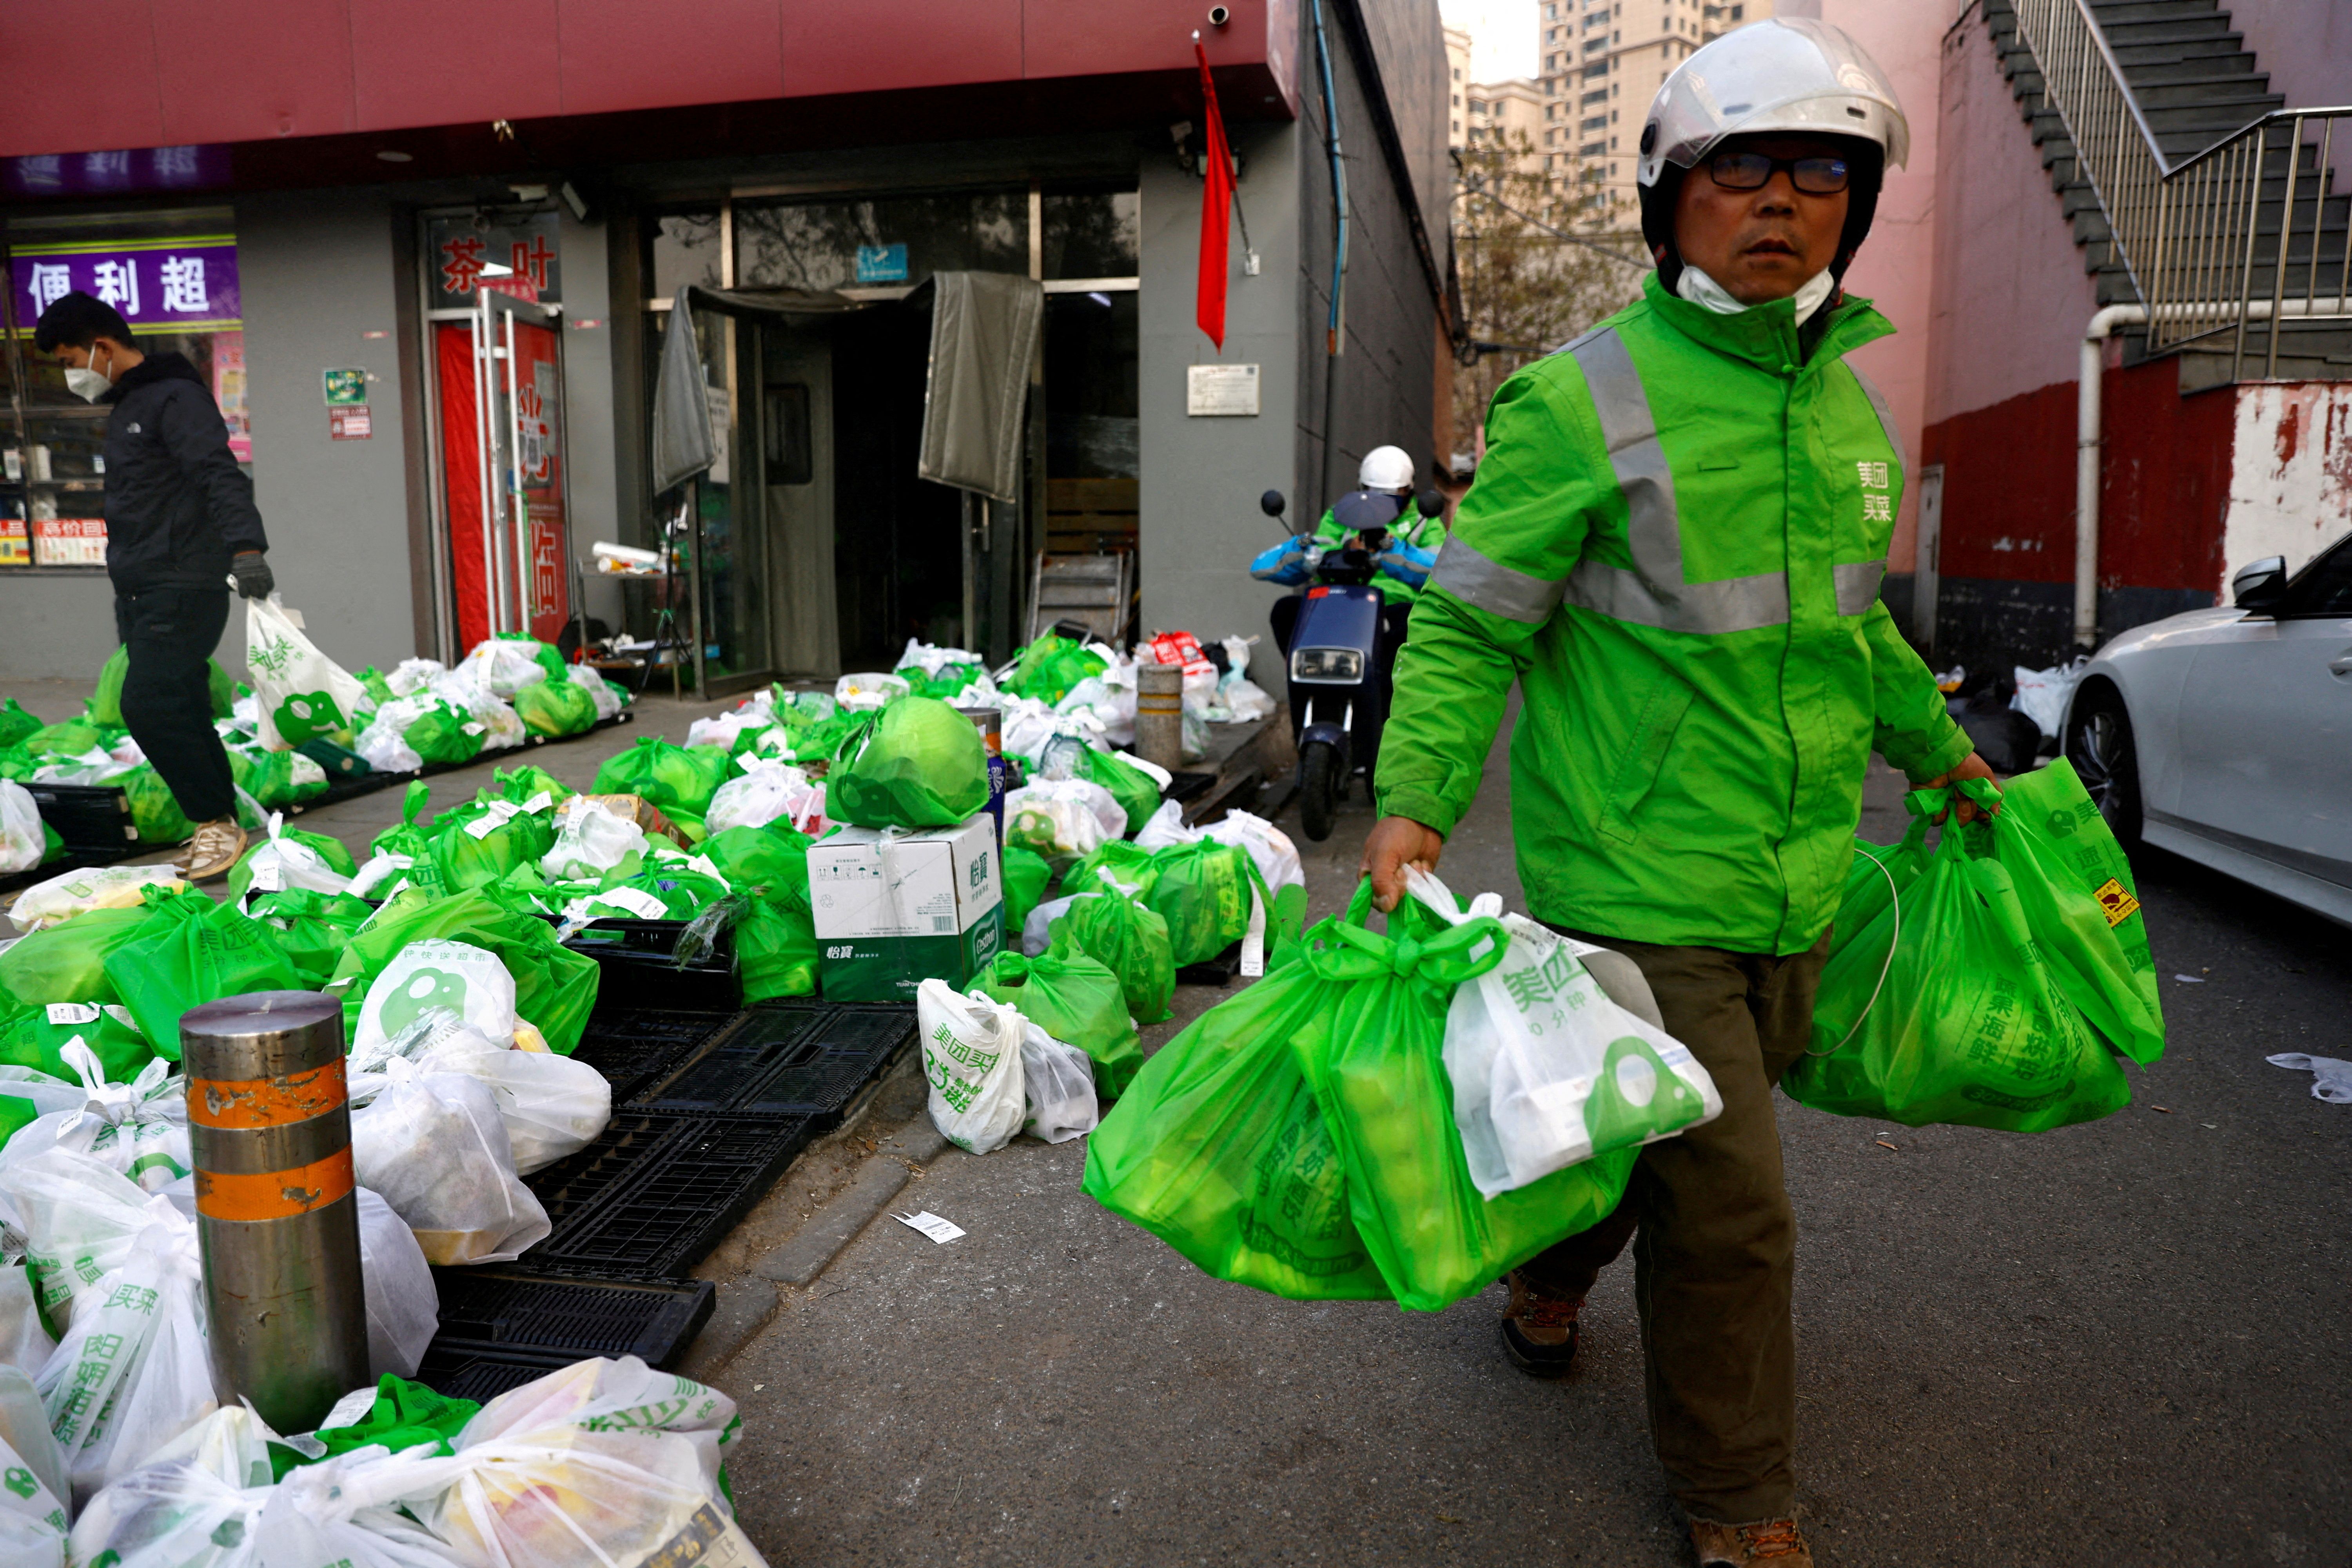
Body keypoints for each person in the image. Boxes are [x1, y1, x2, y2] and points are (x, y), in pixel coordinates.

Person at [1361, 20, 1997, 1568]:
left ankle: (1551, 1270)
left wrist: (1946, 754)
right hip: (1635, 880)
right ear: (1671, 196)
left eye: (1822, 172)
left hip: (1794, 876)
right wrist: (1416, 801)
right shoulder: (1581, 401)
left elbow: (1852, 634)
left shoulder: (1849, 414)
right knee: (1736, 1216)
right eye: (1743, 169)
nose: (1782, 201)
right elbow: (1468, 616)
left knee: (1636, 1146)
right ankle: (1738, 1504)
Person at [35, 290, 272, 881]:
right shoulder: (129, 406)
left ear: (102, 347)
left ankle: (215, 820)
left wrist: (247, 550)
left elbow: (220, 474)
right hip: (142, 587)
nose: (71, 375)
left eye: (69, 361)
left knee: (148, 703)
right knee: (184, 705)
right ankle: (216, 825)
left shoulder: (176, 398)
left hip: (184, 582)